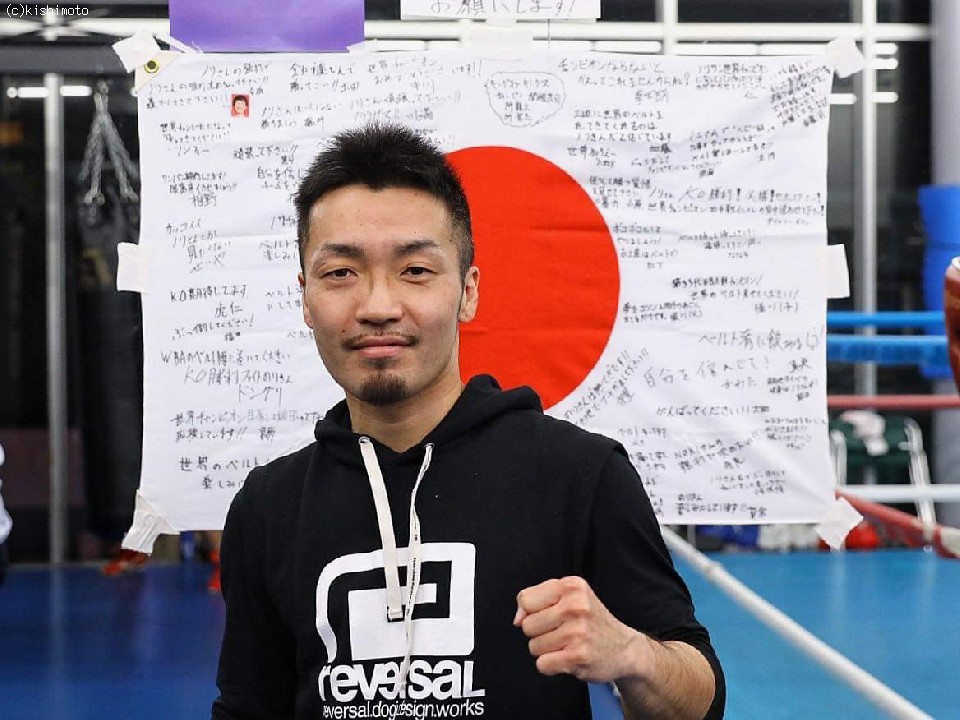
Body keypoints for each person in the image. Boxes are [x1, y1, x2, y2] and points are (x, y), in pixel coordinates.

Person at [212, 123, 725, 719]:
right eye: (340, 273)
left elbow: (701, 702)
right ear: (305, 296)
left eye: (415, 270)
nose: (378, 306)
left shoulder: (579, 474)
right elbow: (248, 707)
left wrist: (632, 654)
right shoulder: (268, 506)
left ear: (468, 291)